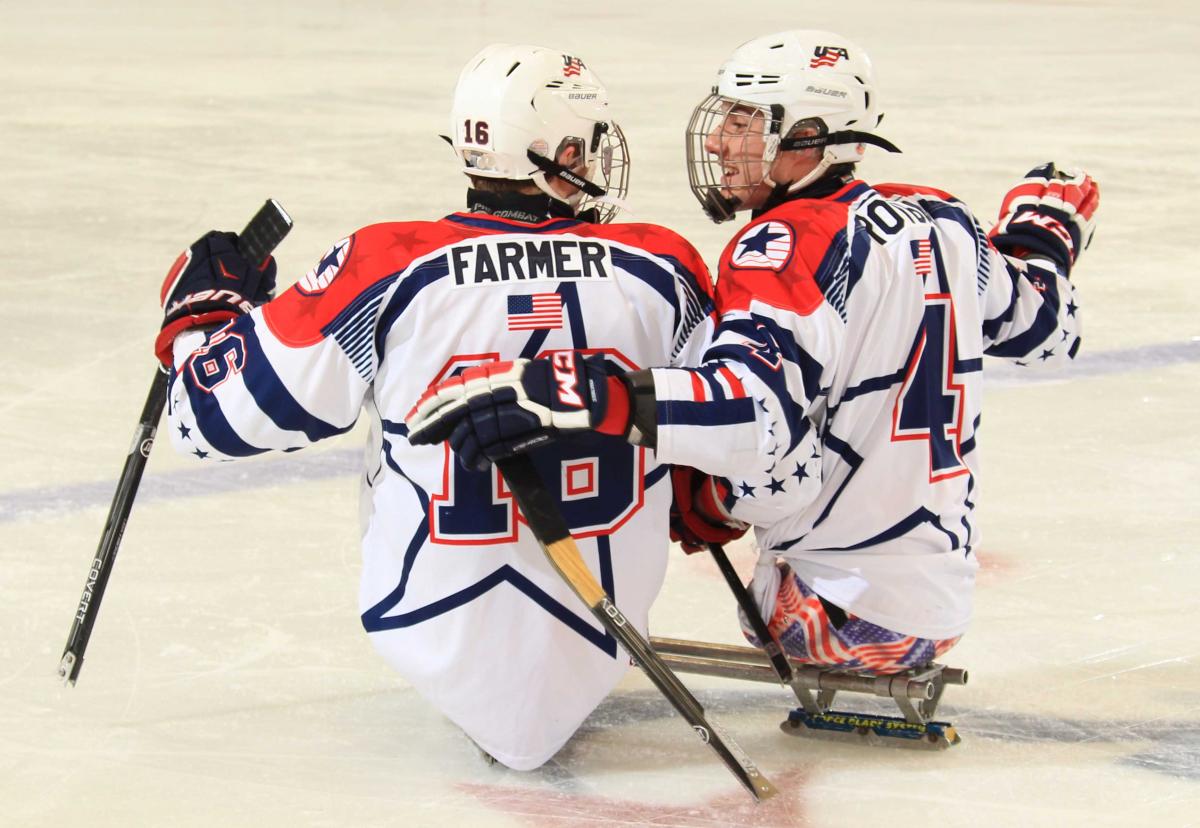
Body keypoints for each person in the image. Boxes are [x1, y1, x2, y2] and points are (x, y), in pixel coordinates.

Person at [406, 30, 1099, 675]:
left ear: (809, 137)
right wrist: (1043, 235)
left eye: (744, 124)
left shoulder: (784, 247)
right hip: (940, 605)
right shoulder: (942, 217)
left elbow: (755, 424)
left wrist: (585, 395)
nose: (718, 144)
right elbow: (1045, 329)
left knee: (694, 407)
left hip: (827, 613)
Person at [155, 43, 718, 770]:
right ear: (562, 153)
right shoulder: (662, 265)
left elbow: (206, 420)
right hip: (601, 630)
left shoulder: (386, 265)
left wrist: (204, 315)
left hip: (432, 627)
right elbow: (737, 428)